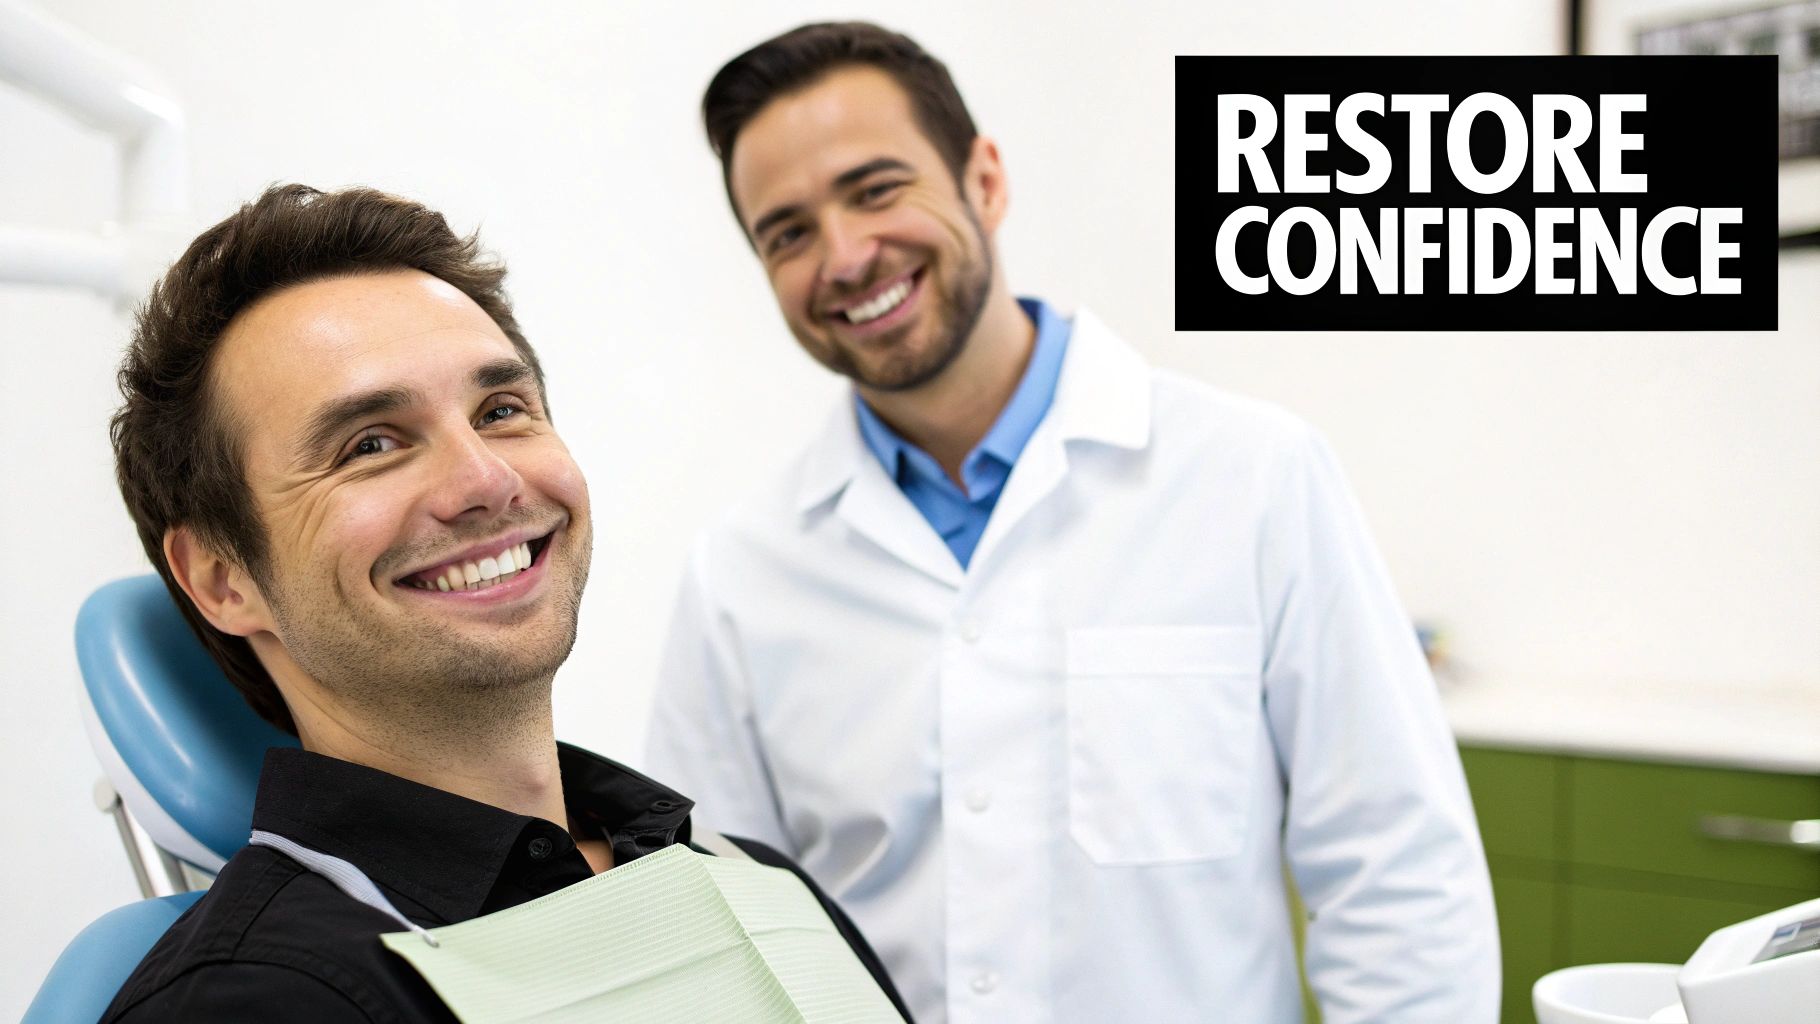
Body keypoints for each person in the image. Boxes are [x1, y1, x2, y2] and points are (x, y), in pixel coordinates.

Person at [643, 22, 1500, 1024]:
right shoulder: (741, 576)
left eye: (876, 190)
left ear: (986, 179)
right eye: (786, 232)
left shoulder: (1253, 477)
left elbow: (1396, 877)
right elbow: (709, 945)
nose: (843, 255)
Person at [99, 184, 909, 1023]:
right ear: (221, 577)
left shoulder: (763, 886)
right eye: (371, 444)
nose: (486, 479)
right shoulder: (249, 1000)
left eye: (502, 410)